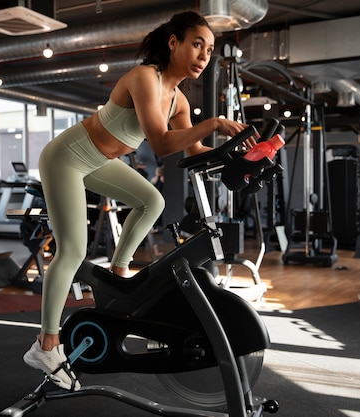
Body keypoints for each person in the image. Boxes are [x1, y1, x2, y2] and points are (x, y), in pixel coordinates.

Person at [23, 10, 254, 391]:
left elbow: (192, 151)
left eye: (210, 50)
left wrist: (234, 152)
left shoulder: (178, 102)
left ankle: (117, 273)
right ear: (173, 42)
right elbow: (162, 144)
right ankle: (45, 345)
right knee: (72, 251)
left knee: (152, 201)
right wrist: (214, 122)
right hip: (66, 155)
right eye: (197, 44)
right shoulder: (146, 78)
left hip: (98, 160)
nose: (203, 55)